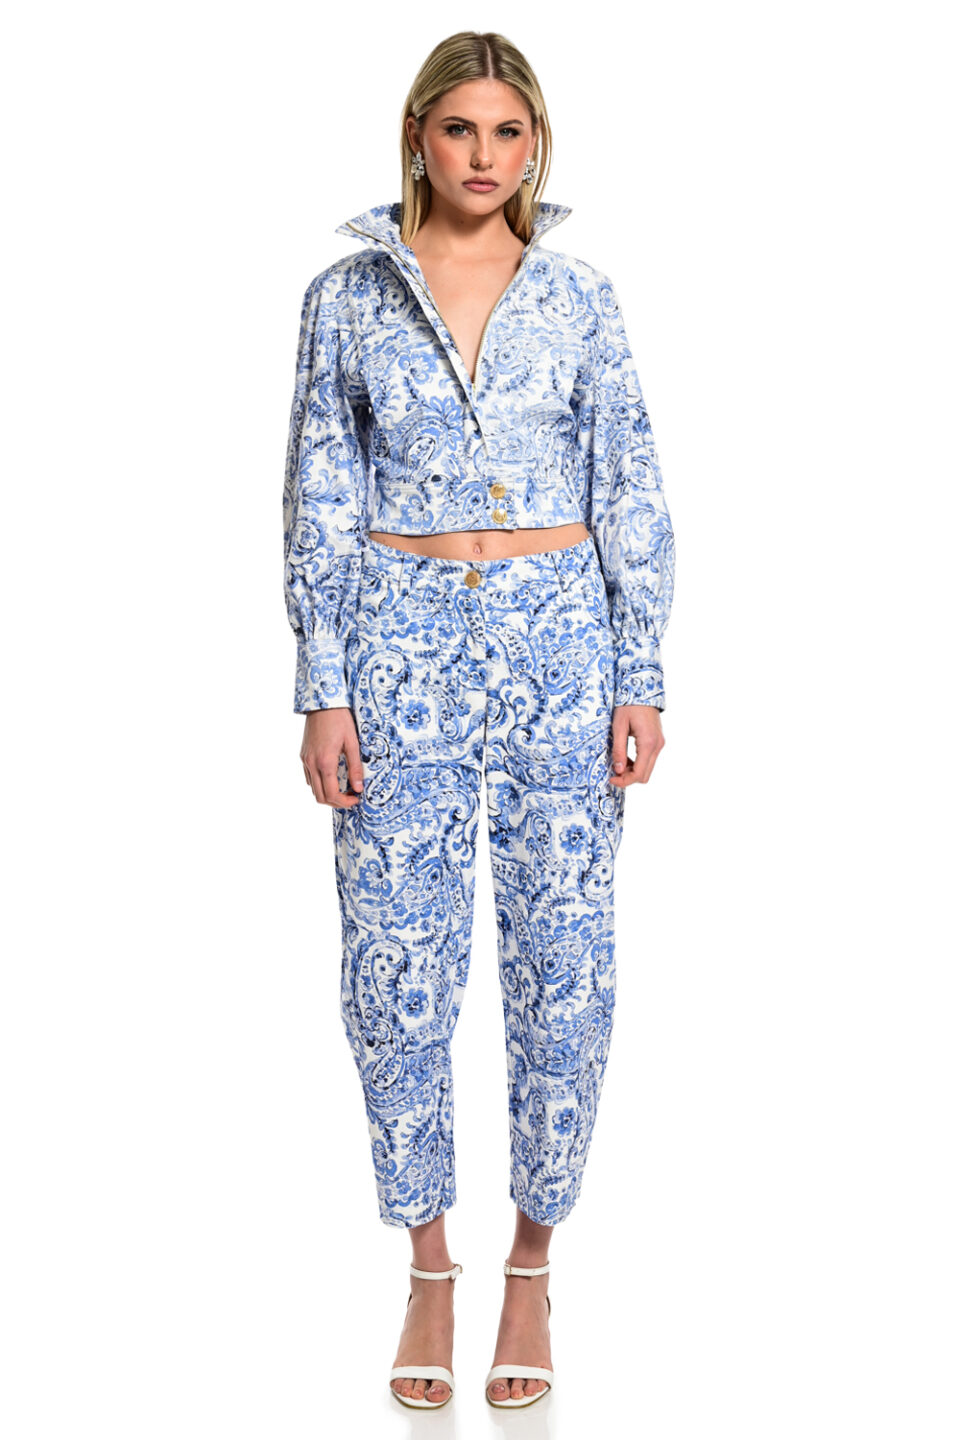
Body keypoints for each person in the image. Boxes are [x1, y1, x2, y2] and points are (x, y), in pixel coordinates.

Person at [281, 30, 676, 1412]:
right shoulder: (346, 299)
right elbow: (317, 494)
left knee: (564, 968)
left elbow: (630, 484)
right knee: (395, 970)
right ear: (419, 135)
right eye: (461, 129)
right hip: (398, 656)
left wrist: (642, 673)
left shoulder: (580, 299)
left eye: (509, 132)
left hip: (563, 655)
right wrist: (323, 684)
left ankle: (532, 1266)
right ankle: (428, 1266)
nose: (484, 155)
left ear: (535, 144)